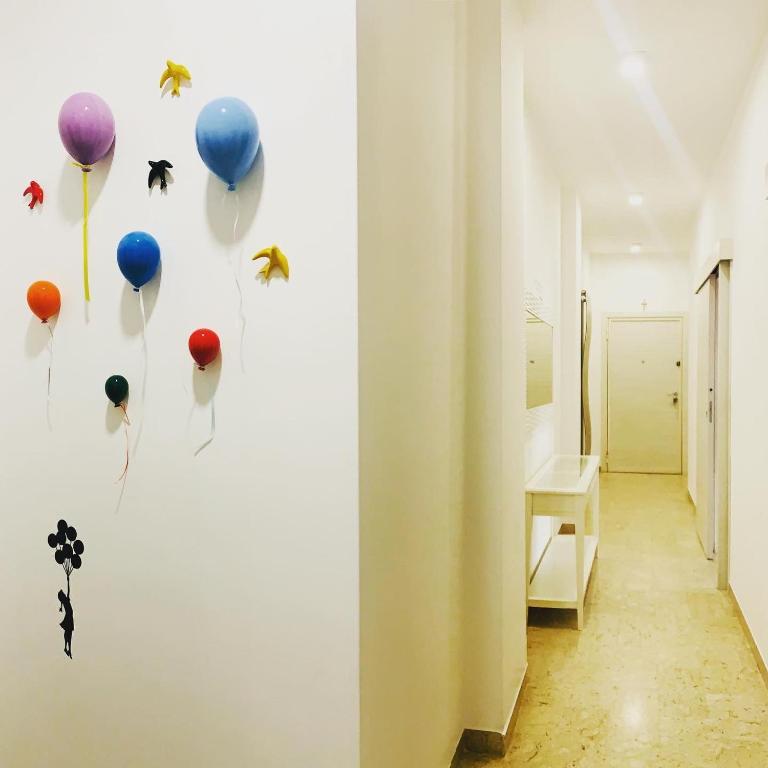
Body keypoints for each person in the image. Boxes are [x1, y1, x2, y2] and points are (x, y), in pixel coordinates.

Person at [58, 589, 74, 659]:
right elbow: (68, 590)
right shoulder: (65, 600)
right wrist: (68, 580)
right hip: (69, 616)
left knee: (68, 633)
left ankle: (68, 649)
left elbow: (68, 590)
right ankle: (67, 648)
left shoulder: (64, 601)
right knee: (68, 633)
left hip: (70, 616)